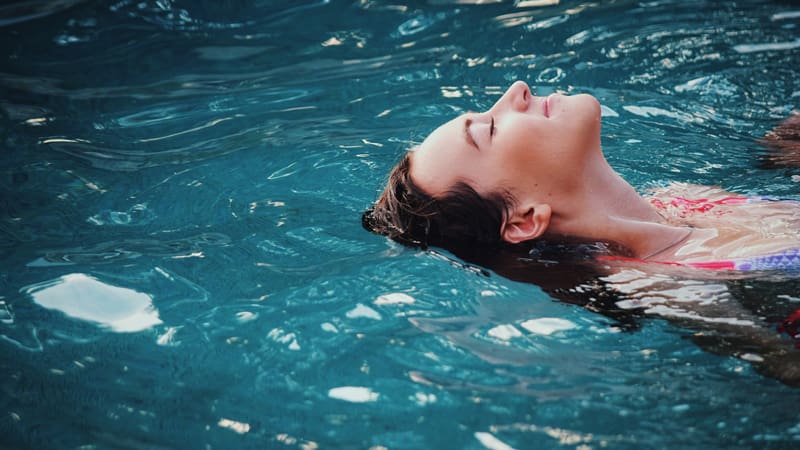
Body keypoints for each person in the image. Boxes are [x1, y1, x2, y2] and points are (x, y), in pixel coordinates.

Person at [363, 81, 800, 272]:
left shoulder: (682, 198)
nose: (517, 90)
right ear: (522, 221)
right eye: (490, 129)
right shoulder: (663, 282)